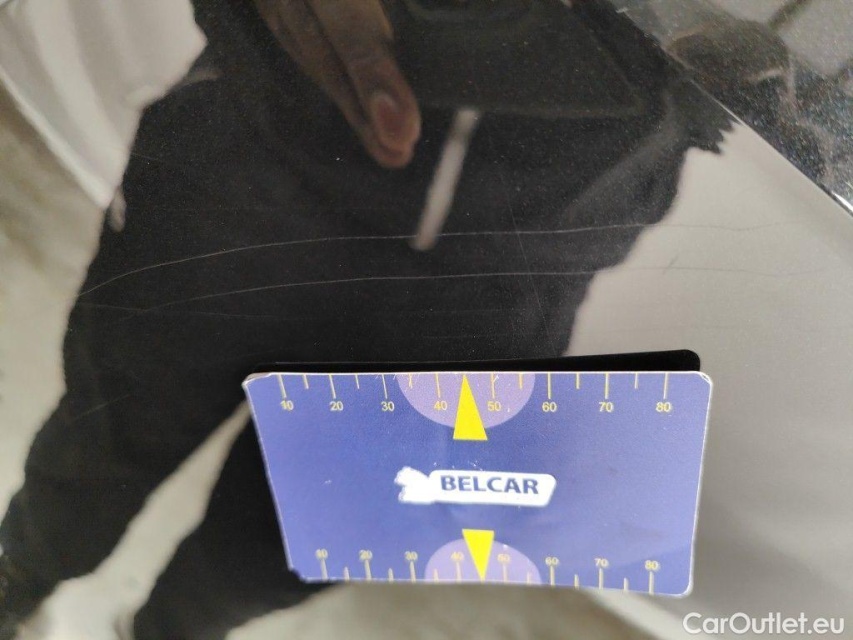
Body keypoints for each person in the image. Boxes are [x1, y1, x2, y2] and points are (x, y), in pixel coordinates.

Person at [0, 1, 734, 638]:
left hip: (517, 266)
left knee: (286, 549)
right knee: (97, 451)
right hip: (252, 163)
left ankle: (167, 632)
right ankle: (19, 583)